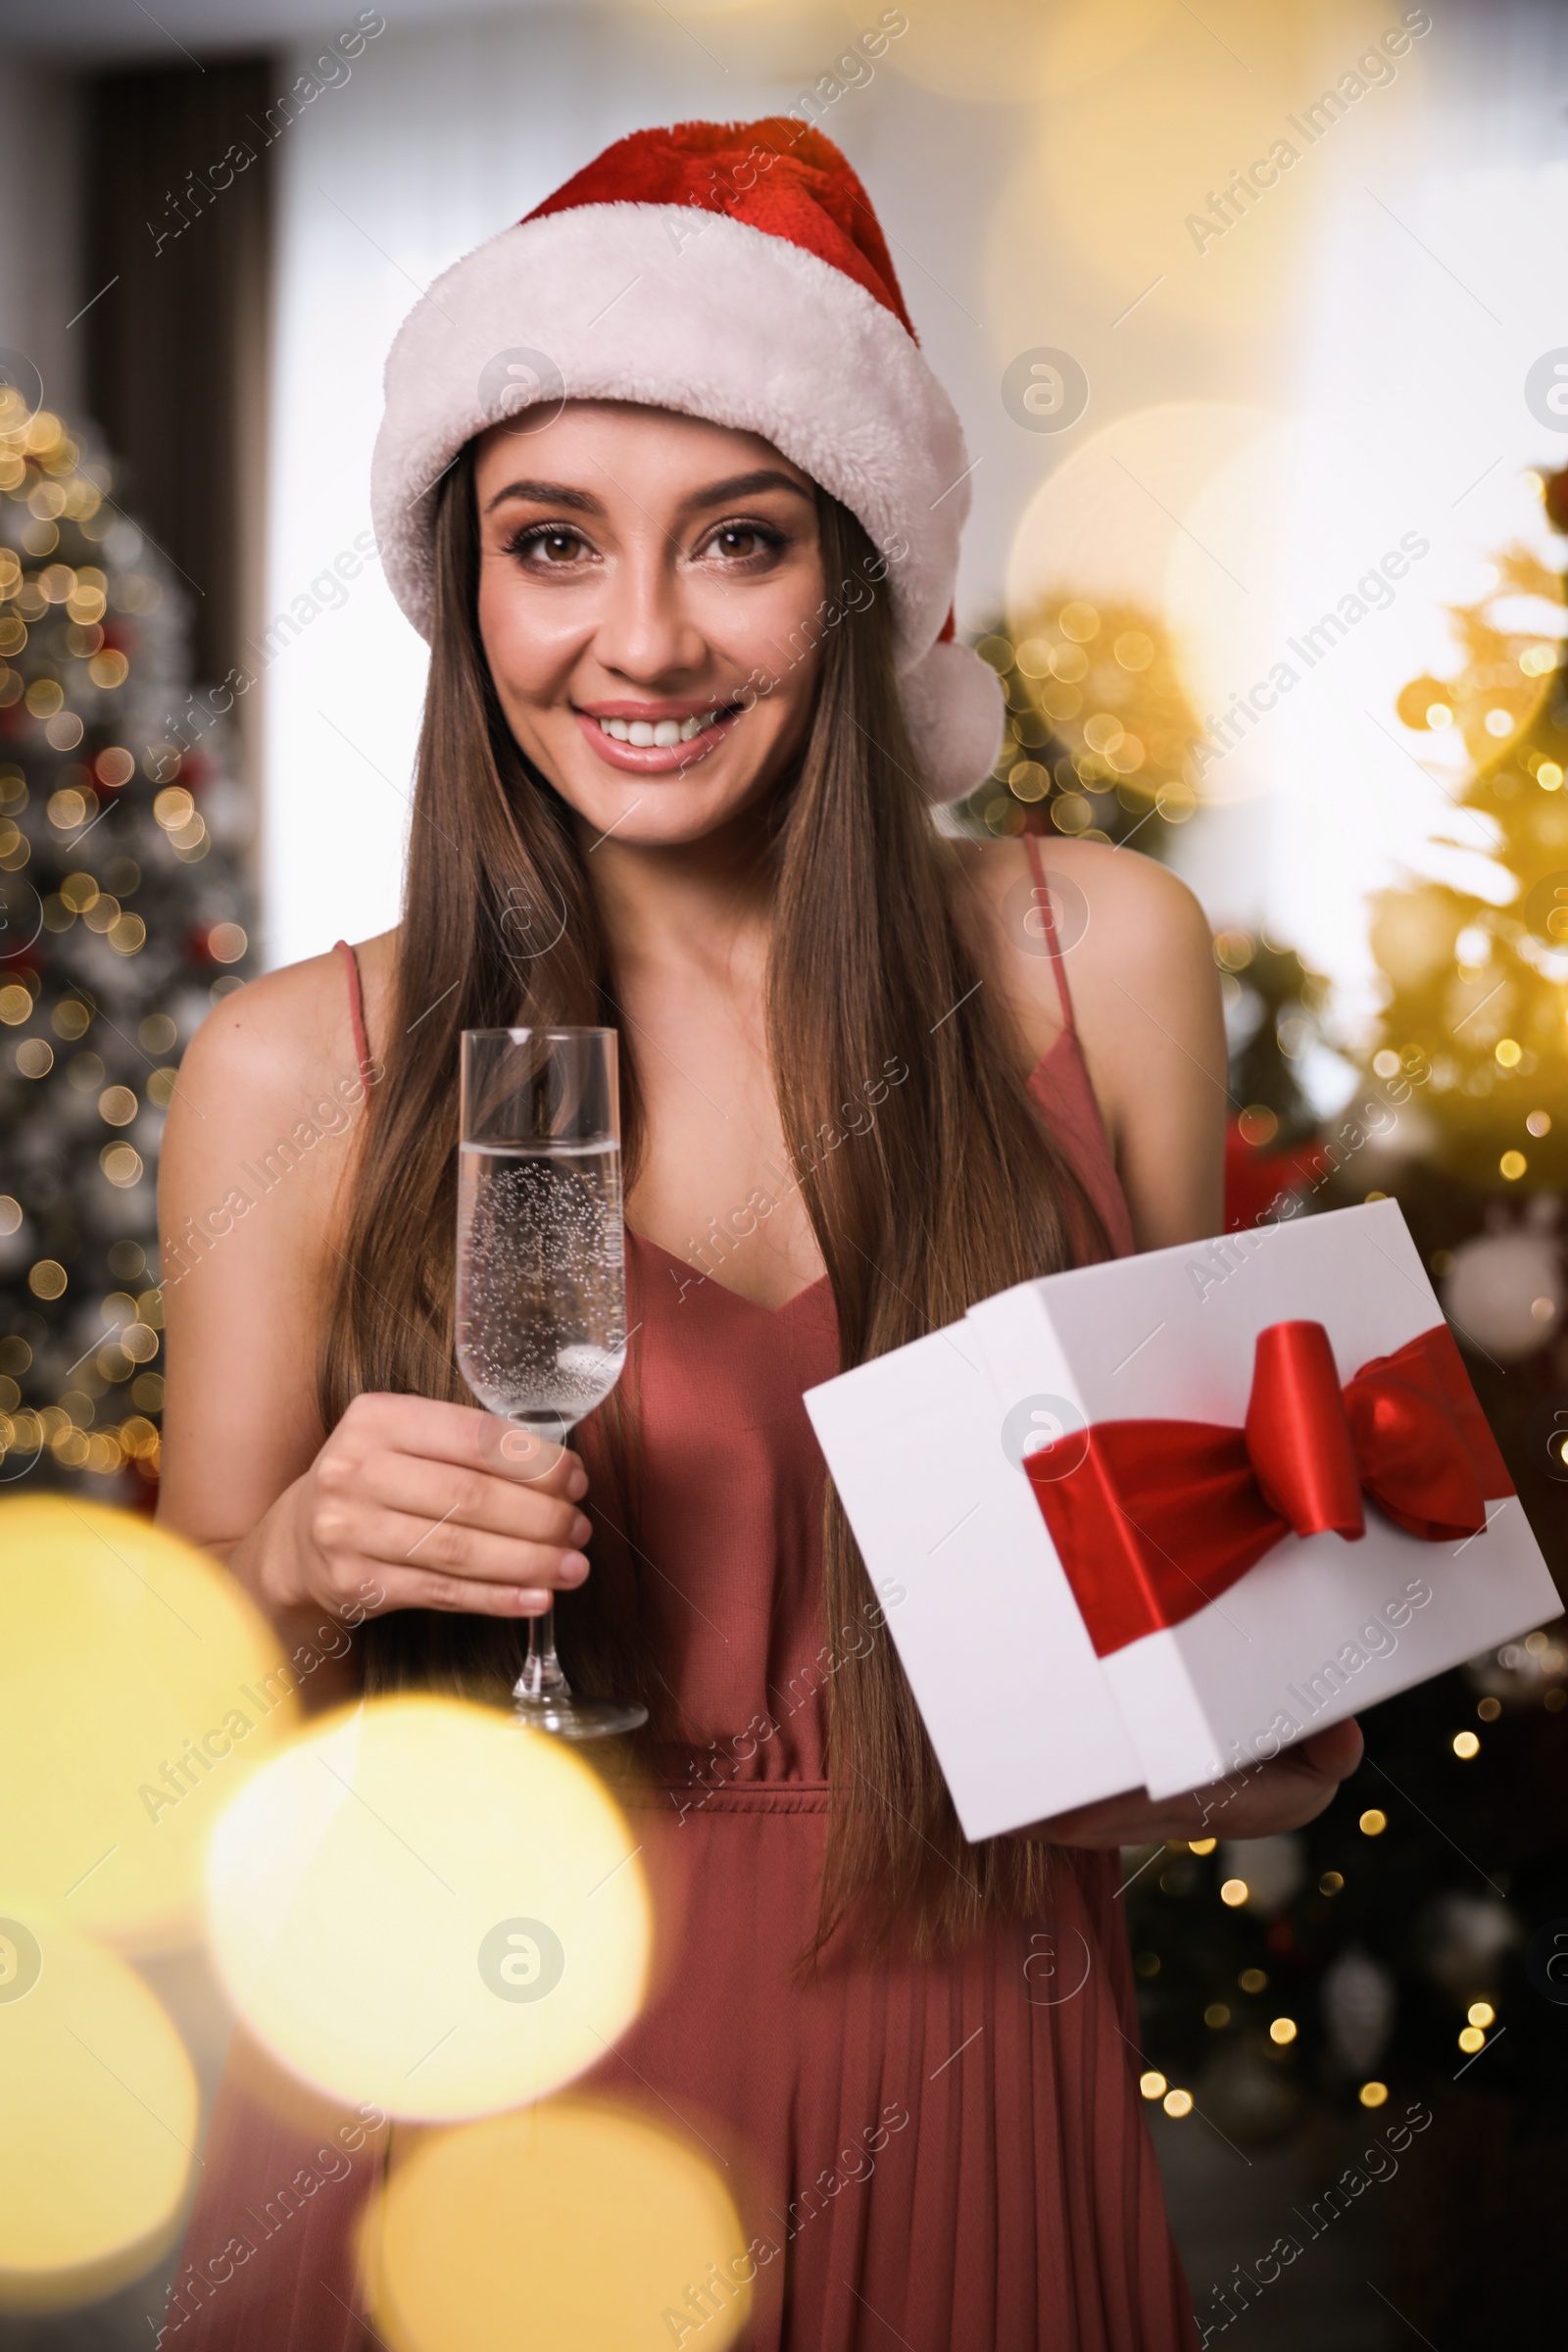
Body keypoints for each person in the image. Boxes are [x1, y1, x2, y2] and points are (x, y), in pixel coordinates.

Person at [157, 120, 1361, 2352]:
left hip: (967, 2054)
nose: (638, 638)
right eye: (551, 543)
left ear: (858, 577)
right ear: (465, 586)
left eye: (736, 540)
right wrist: (309, 1565)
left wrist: (1250, 1733)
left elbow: (1174, 1614)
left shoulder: (1101, 964)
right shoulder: (296, 1069)